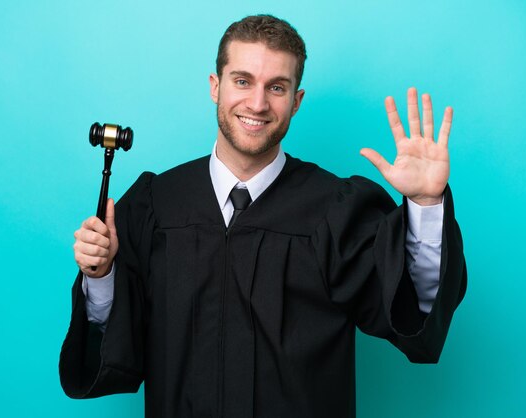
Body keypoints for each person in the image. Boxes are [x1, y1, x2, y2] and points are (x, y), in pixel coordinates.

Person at [60, 14, 466, 418]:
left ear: (296, 101)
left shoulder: (335, 210)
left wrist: (425, 206)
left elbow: (413, 315)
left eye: (276, 87)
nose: (257, 103)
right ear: (214, 87)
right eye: (242, 81)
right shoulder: (156, 204)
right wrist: (100, 276)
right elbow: (116, 341)